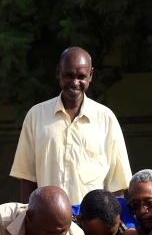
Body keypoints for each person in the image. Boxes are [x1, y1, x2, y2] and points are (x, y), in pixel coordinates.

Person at [9, 47, 132, 206]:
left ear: (91, 75)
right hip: (47, 221)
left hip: (91, 223)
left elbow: (116, 183)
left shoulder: (106, 119)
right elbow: (28, 178)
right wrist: (27, 218)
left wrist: (115, 226)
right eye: (68, 75)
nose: (75, 83)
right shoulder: (36, 115)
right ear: (58, 72)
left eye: (81, 76)